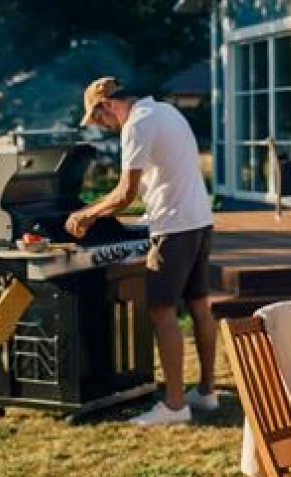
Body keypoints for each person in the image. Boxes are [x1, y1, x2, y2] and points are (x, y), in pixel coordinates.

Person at [65, 76, 219, 425]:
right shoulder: (167, 111)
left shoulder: (136, 124)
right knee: (199, 306)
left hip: (173, 227)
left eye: (99, 118)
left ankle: (175, 406)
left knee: (161, 311)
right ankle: (206, 392)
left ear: (107, 105)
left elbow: (125, 194)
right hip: (199, 220)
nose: (103, 126)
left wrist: (85, 215)